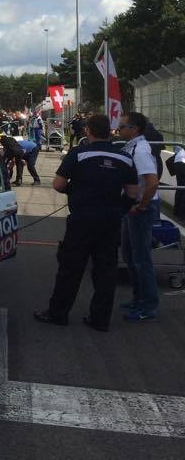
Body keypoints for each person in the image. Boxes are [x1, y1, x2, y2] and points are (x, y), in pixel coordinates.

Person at [33, 114, 137, 330]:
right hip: (110, 222)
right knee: (105, 272)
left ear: (88, 131)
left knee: (70, 269)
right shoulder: (126, 158)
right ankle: (100, 319)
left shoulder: (78, 154)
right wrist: (119, 210)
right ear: (110, 132)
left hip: (82, 220)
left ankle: (58, 313)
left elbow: (58, 184)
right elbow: (132, 193)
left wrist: (75, 190)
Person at [118, 112, 160, 322]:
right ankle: (138, 298)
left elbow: (152, 182)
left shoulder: (140, 150)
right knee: (129, 254)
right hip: (133, 207)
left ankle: (148, 306)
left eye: (122, 127)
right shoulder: (132, 147)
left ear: (134, 129)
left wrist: (141, 205)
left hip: (141, 209)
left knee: (142, 259)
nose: (119, 130)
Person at [171, 145, 185, 222]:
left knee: (180, 188)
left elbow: (175, 149)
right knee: (183, 189)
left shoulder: (181, 148)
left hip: (177, 162)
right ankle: (182, 215)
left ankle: (176, 212)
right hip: (182, 163)